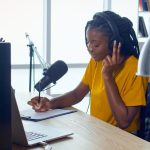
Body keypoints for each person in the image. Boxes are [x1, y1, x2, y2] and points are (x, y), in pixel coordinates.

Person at [28, 11, 148, 133]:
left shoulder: (135, 69)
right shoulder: (98, 60)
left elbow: (124, 122)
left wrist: (107, 75)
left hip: (124, 138)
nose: (90, 48)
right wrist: (50, 104)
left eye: (95, 44)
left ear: (114, 43)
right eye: (88, 41)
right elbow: (77, 94)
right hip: (98, 131)